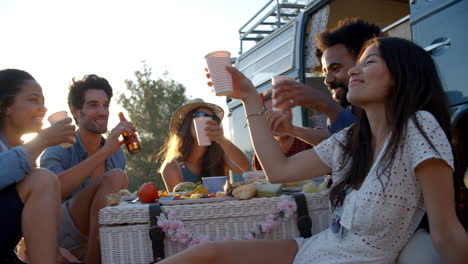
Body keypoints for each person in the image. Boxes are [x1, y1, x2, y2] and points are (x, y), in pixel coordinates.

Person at [159, 37, 468, 264]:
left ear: (403, 75)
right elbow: (278, 171)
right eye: (356, 64)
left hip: (348, 259)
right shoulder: (352, 140)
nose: (353, 72)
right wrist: (250, 98)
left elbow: (447, 233)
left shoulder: (419, 127)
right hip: (315, 249)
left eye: (369, 62)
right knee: (209, 254)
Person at [40, 74, 132, 264]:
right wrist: (105, 151)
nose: (102, 111)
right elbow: (51, 191)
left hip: (97, 236)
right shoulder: (60, 148)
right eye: (93, 105)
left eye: (105, 105)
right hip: (61, 231)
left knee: (122, 182)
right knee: (115, 176)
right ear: (75, 111)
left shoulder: (116, 154)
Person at [0, 69, 77, 264]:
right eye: (34, 100)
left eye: (43, 101)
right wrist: (43, 140)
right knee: (42, 178)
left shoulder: (22, 153)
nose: (43, 108)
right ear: (5, 106)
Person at [271, 18, 381, 142]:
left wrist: (325, 104)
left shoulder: (392, 105)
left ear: (363, 62)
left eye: (335, 68)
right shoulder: (349, 111)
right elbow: (333, 144)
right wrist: (291, 129)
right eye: (324, 72)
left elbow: (363, 146)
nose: (327, 80)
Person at [158, 98, 249, 192]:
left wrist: (222, 139)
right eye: (201, 115)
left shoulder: (220, 154)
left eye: (212, 118)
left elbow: (244, 169)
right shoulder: (172, 167)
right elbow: (181, 204)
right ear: (187, 123)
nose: (207, 120)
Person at [251, 89, 313, 171]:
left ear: (290, 112)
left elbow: (330, 138)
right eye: (270, 115)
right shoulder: (261, 155)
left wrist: (291, 130)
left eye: (280, 112)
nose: (277, 119)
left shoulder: (311, 140)